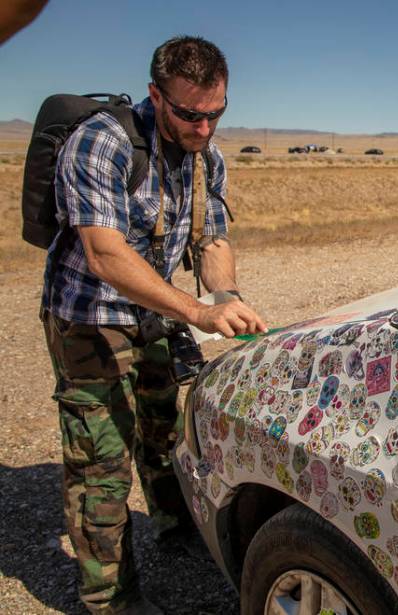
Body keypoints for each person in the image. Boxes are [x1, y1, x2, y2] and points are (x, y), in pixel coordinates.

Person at [40, 36, 267, 615]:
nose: (205, 129)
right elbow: (104, 255)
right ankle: (109, 599)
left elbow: (211, 237)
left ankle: (175, 524)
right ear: (155, 96)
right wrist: (196, 312)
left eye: (216, 114)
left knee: (164, 431)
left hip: (155, 315)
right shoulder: (102, 142)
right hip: (90, 318)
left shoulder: (204, 156)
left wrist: (226, 297)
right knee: (101, 464)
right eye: (190, 115)